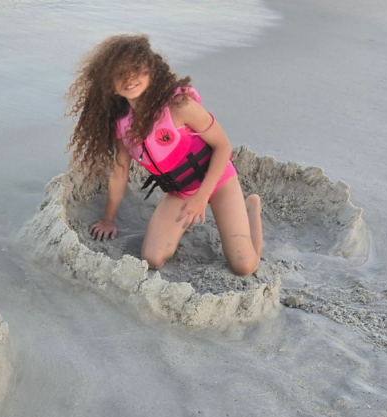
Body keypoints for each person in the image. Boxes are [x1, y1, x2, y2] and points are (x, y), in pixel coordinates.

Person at [67, 34, 263, 275]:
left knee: (244, 266)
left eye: (137, 69)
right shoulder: (121, 123)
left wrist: (202, 197)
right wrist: (108, 219)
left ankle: (251, 206)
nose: (130, 78)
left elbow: (223, 146)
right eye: (120, 73)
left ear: (152, 70)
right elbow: (120, 171)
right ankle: (184, 221)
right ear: (109, 82)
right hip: (180, 192)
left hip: (217, 180)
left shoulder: (179, 105)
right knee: (152, 258)